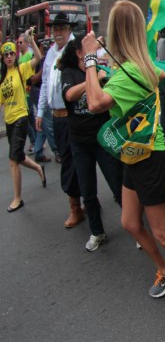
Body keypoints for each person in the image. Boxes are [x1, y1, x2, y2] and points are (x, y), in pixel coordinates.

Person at [82, 0, 165, 318]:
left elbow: (95, 103)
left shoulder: (131, 71)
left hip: (151, 157)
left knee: (163, 232)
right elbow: (145, 76)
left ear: (115, 31)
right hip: (133, 154)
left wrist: (89, 59)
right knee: (129, 223)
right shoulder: (135, 66)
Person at [59, 39, 124, 251]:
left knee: (118, 185)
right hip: (79, 143)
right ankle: (97, 232)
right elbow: (69, 95)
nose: (94, 50)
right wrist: (94, 78)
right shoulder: (69, 72)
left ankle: (136, 227)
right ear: (80, 52)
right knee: (88, 190)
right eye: (89, 48)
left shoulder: (100, 67)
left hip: (103, 139)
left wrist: (102, 73)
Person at [37, 13, 82, 227]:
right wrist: (39, 113)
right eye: (55, 29)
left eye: (62, 28)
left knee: (76, 161)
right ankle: (79, 204)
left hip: (73, 115)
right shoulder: (50, 54)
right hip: (56, 117)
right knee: (67, 159)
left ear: (69, 30)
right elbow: (45, 83)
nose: (57, 32)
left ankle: (79, 206)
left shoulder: (75, 49)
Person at [1, 35, 45, 211]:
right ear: (3, 58)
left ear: (16, 55)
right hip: (9, 120)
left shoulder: (21, 69)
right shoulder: (2, 78)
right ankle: (38, 168)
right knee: (18, 156)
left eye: (12, 53)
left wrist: (31, 41)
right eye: (6, 55)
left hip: (21, 116)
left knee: (13, 159)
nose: (9, 56)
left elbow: (38, 58)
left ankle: (18, 198)